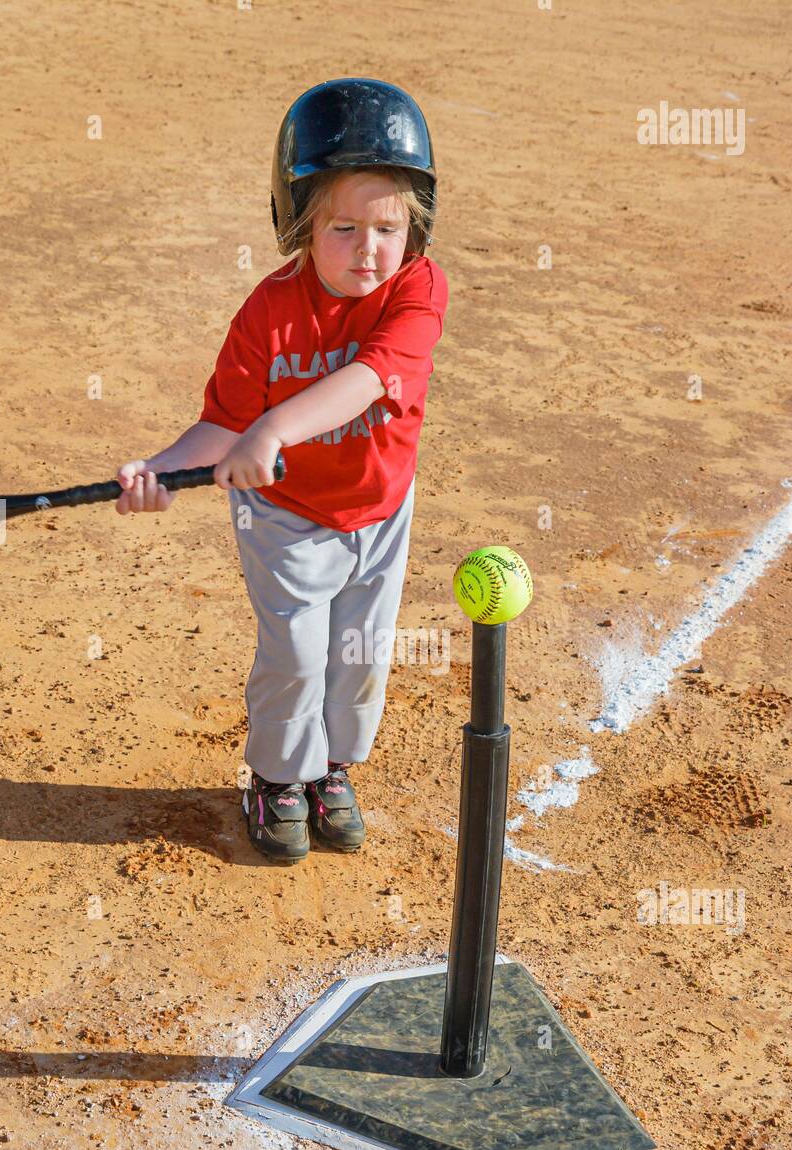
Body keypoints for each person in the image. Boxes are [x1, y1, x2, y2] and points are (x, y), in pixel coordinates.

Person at [114, 78, 449, 866]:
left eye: (386, 228)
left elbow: (368, 378)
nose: (368, 250)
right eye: (342, 227)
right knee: (297, 659)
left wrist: (274, 425)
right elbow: (221, 427)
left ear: (414, 229)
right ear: (299, 222)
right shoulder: (268, 313)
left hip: (381, 512)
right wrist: (159, 470)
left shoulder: (419, 290)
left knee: (361, 657)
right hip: (288, 517)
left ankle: (331, 768)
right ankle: (276, 776)